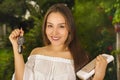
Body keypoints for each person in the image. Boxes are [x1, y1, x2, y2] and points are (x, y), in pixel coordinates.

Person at [9, 3, 108, 80]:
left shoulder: (80, 57)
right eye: (50, 26)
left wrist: (98, 77)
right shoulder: (36, 53)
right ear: (45, 28)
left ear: (69, 28)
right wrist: (16, 46)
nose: (54, 32)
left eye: (61, 26)